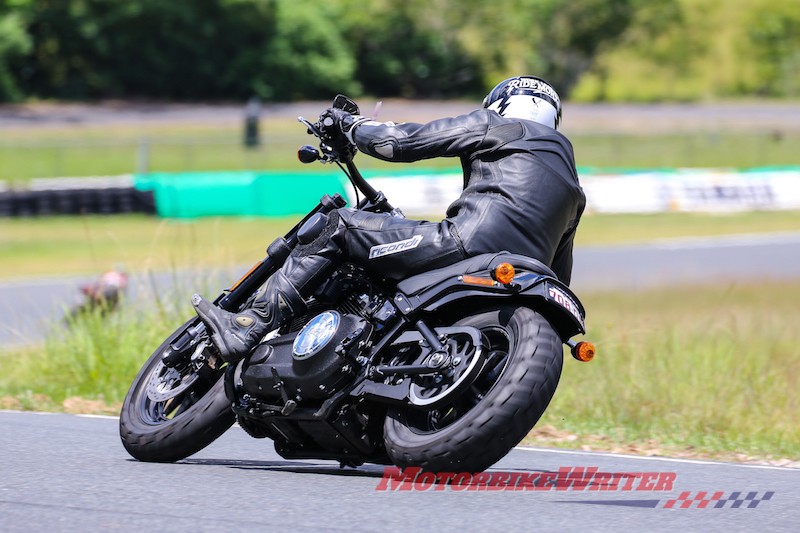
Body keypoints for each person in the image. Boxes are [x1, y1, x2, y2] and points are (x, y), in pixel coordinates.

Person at [192, 76, 586, 362]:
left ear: (498, 103)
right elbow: (559, 273)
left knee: (342, 226)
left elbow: (400, 143)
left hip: (461, 245)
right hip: (515, 280)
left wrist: (351, 125)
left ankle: (248, 324)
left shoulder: (497, 125)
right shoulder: (574, 189)